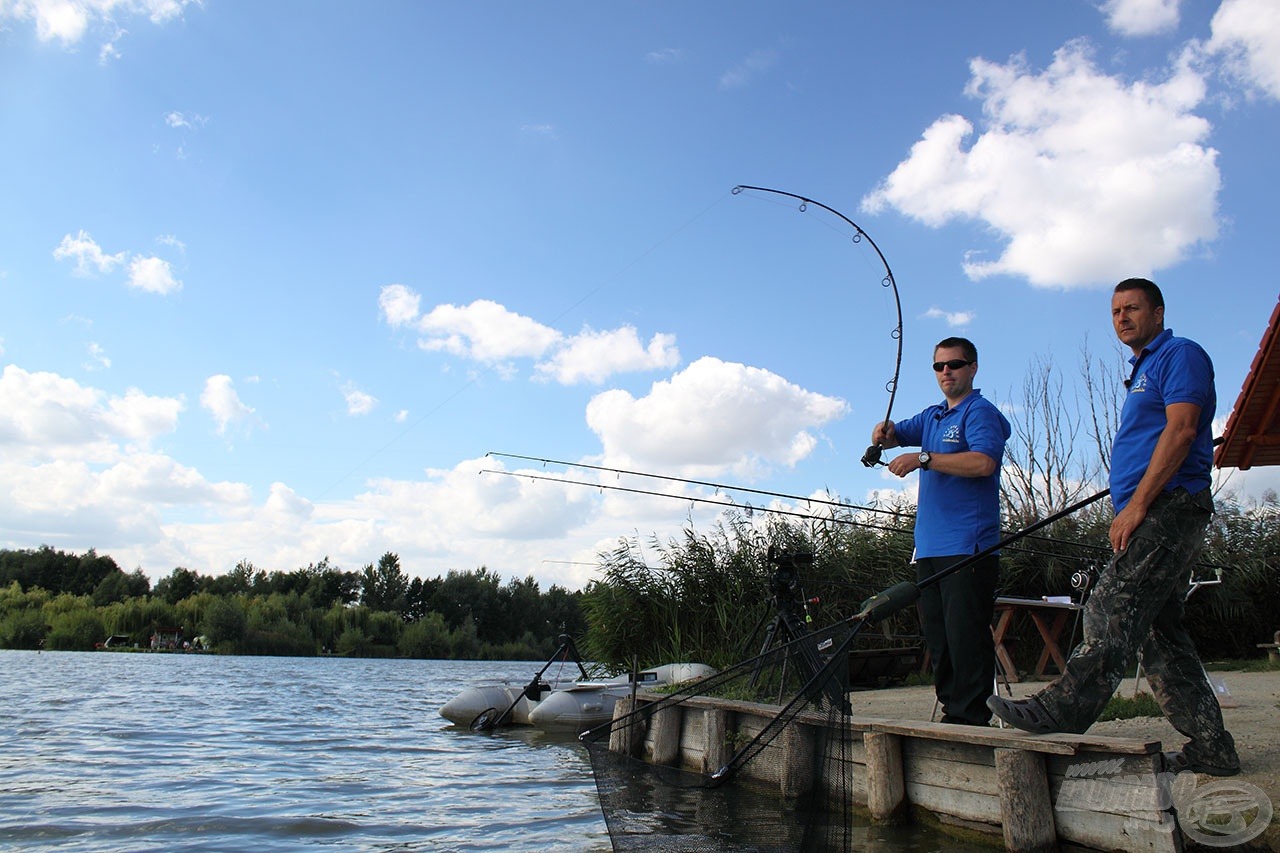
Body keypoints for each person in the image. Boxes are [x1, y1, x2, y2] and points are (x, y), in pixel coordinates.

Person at [987, 278, 1240, 777]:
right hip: (1153, 508)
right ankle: (1212, 748)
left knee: (1109, 606)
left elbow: (1184, 428)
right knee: (1161, 636)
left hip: (1170, 505)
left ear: (1159, 312)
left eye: (1133, 308)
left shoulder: (1180, 355)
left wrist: (1138, 504)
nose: (1122, 318)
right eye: (1116, 311)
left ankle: (1059, 711)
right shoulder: (1143, 367)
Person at [871, 336, 1011, 727]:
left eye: (955, 364)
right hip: (929, 547)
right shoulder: (933, 416)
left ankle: (971, 717)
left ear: (972, 368)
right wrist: (882, 433)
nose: (946, 371)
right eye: (939, 366)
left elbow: (984, 463)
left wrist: (925, 458)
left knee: (965, 634)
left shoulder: (980, 413)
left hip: (969, 545)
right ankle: (954, 711)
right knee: (939, 637)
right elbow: (896, 433)